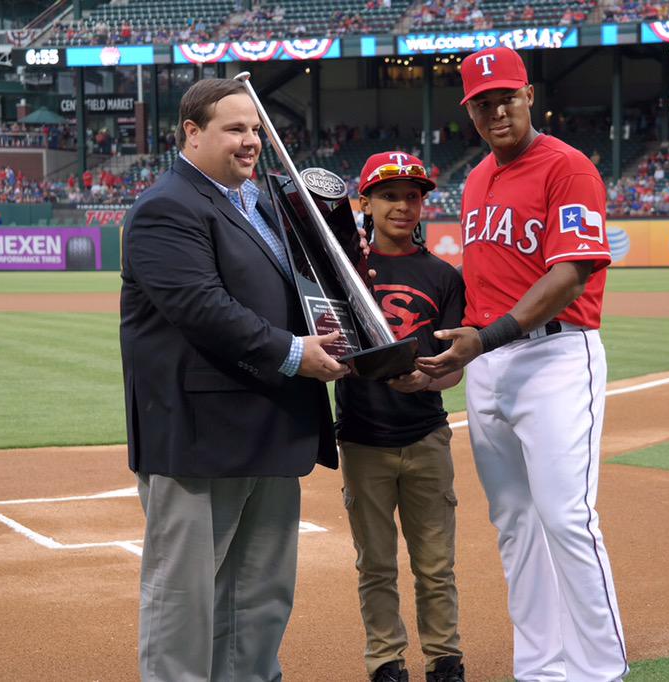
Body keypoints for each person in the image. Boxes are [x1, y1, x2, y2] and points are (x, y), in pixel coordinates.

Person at [119, 77, 353, 681]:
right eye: (234, 129)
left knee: (260, 591)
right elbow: (202, 307)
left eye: (255, 129)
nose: (251, 141)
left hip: (273, 421)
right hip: (201, 434)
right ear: (192, 133)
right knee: (186, 593)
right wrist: (294, 353)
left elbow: (305, 288)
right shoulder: (166, 206)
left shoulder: (267, 202)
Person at [416, 47, 628, 682]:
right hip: (490, 364)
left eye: (506, 98)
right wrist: (453, 352)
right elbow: (485, 282)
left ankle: (599, 670)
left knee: (567, 517)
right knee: (514, 523)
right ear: (470, 112)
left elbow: (570, 275)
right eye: (482, 104)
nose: (496, 112)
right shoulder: (477, 178)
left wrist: (486, 339)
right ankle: (540, 668)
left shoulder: (568, 168)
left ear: (529, 95)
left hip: (556, 357)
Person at [336, 152, 466, 682]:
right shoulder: (343, 273)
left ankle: (445, 661)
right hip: (363, 438)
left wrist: (427, 380)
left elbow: (454, 369)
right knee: (376, 565)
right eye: (388, 195)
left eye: (412, 196)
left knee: (436, 565)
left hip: (426, 436)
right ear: (365, 204)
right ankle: (386, 663)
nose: (402, 206)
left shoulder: (443, 275)